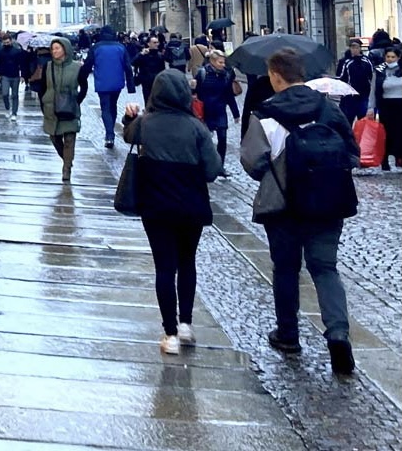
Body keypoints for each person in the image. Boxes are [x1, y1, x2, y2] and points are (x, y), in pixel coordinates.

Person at [241, 48, 359, 375]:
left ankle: (288, 334)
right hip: (328, 203)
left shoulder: (265, 113)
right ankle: (338, 333)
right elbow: (352, 153)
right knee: (325, 269)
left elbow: (252, 162)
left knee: (286, 269)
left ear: (276, 76)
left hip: (283, 206)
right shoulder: (329, 108)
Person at [122, 70, 222, 355]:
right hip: (191, 205)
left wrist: (129, 117)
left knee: (164, 267)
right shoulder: (196, 128)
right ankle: (186, 324)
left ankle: (170, 333)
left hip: (156, 206)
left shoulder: (145, 123)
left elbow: (128, 134)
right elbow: (213, 170)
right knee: (187, 262)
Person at [31, 37, 88, 182]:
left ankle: (66, 168)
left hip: (70, 109)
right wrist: (44, 102)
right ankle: (67, 159)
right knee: (55, 138)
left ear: (65, 49)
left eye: (57, 48)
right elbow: (43, 86)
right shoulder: (48, 66)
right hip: (51, 108)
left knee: (69, 139)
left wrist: (77, 101)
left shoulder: (77, 67)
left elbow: (84, 86)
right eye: (53, 49)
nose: (54, 51)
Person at [82, 26, 134, 149]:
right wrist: (131, 86)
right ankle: (110, 132)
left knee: (105, 108)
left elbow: (88, 64)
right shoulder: (121, 47)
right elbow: (128, 67)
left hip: (102, 82)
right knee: (113, 105)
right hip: (117, 82)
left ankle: (109, 135)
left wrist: (81, 78)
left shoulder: (96, 47)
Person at [194, 49, 241, 174]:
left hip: (220, 110)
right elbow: (195, 93)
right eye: (220, 62)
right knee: (205, 140)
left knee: (222, 138)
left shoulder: (226, 75)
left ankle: (220, 167)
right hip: (205, 111)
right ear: (212, 62)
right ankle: (204, 165)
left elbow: (229, 95)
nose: (223, 65)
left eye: (224, 62)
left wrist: (236, 113)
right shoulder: (202, 73)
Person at [365, 45, 402, 172]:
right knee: (385, 134)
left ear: (398, 57)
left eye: (393, 57)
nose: (390, 59)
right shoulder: (379, 70)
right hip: (386, 104)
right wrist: (371, 107)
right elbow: (373, 89)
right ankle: (384, 160)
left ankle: (399, 158)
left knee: (399, 133)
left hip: (400, 104)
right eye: (388, 57)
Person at [336, 38, 374, 124]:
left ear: (360, 48)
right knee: (348, 119)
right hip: (350, 95)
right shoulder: (346, 62)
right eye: (352, 47)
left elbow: (372, 76)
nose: (354, 50)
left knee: (364, 120)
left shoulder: (366, 61)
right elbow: (341, 77)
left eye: (356, 47)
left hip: (364, 94)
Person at [0, 34, 26, 116]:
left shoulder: (17, 51)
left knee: (15, 95)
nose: (6, 44)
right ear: (2, 42)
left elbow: (22, 64)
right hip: (5, 75)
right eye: (5, 43)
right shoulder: (0, 52)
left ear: (11, 41)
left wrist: (23, 75)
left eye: (7, 42)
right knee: (5, 93)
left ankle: (14, 113)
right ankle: (7, 104)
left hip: (15, 75)